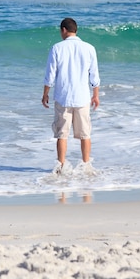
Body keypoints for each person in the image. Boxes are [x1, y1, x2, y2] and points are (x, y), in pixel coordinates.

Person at [42, 18, 100, 175]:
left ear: (63, 30)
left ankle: (61, 166)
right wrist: (95, 95)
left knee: (62, 134)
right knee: (85, 134)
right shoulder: (89, 48)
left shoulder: (57, 48)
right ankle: (86, 166)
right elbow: (94, 75)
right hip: (82, 97)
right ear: (76, 30)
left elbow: (50, 74)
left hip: (63, 97)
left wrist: (45, 93)